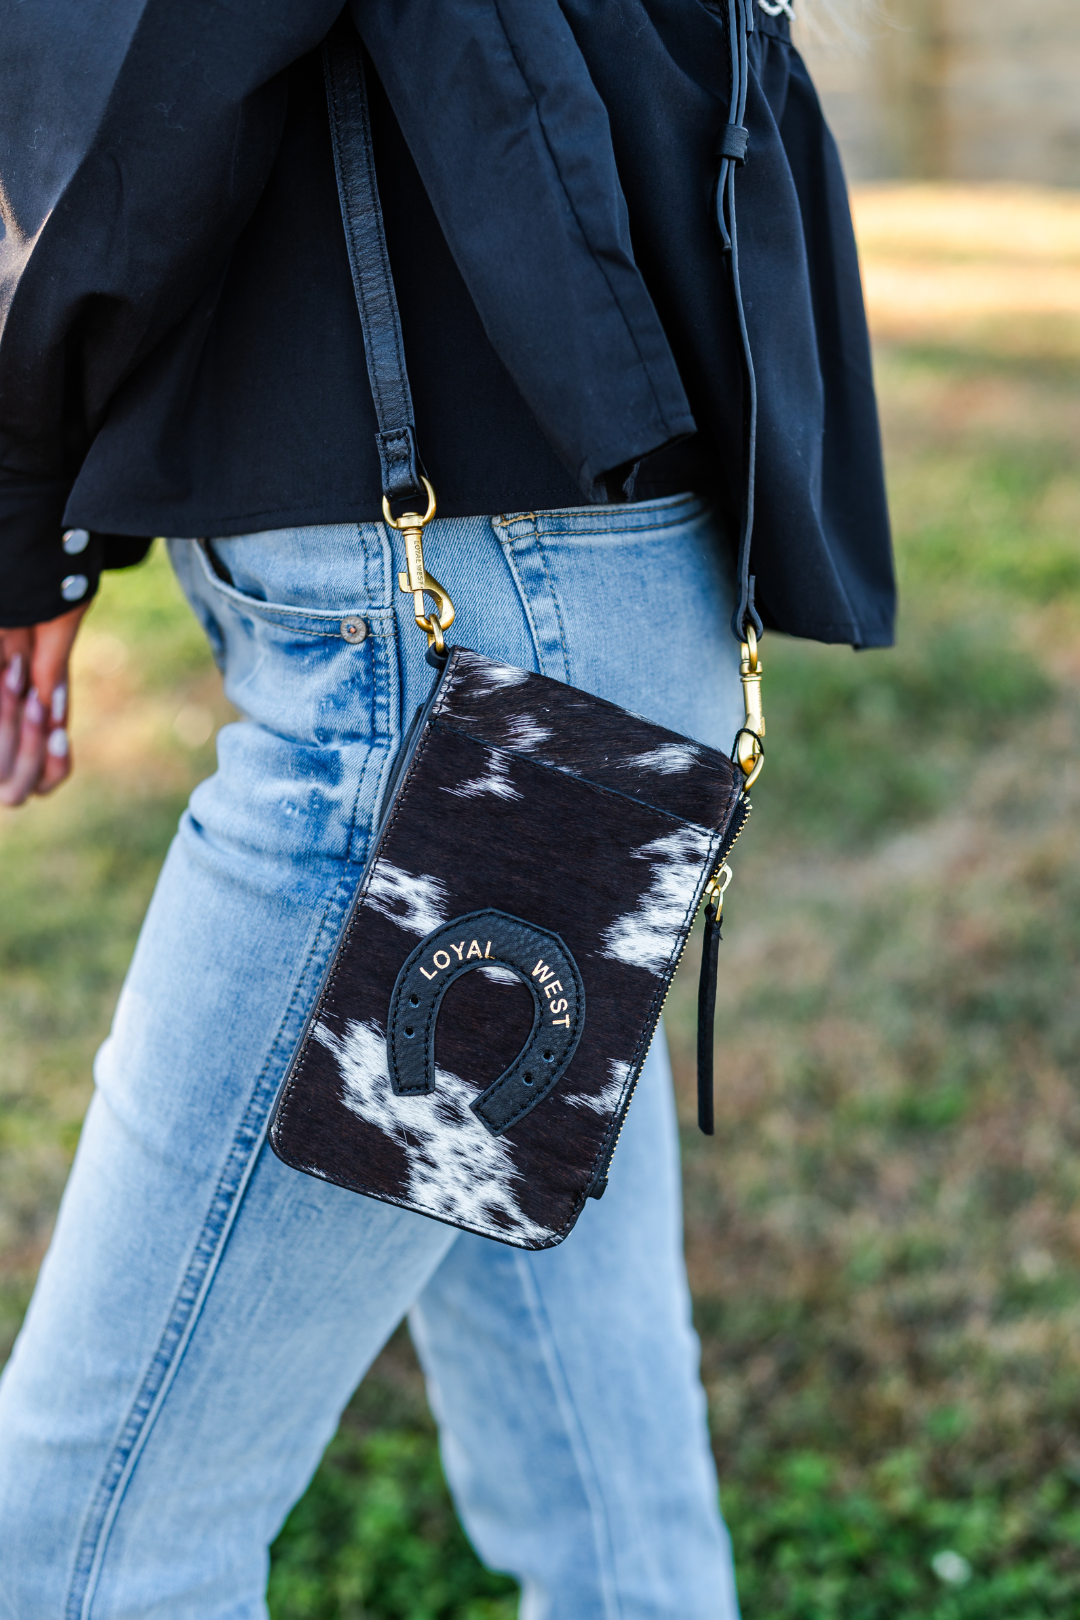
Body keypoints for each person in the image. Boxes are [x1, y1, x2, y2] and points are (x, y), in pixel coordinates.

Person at [0, 1, 893, 1614]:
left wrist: (22, 488)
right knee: (601, 1507)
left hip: (453, 658)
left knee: (79, 1550)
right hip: (537, 620)